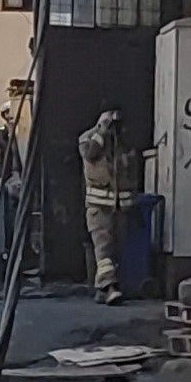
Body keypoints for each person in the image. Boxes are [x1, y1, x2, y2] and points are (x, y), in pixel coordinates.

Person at [78, 107, 154, 305]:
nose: (116, 128)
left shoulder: (124, 144)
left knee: (115, 251)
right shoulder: (88, 139)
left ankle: (102, 291)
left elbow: (131, 176)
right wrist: (102, 129)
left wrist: (133, 205)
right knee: (104, 250)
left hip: (121, 209)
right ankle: (110, 288)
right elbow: (90, 153)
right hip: (98, 208)